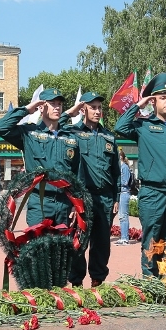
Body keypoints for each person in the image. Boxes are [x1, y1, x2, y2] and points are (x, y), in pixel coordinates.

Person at [113, 73, 166, 277]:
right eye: (162, 98)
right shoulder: (143, 126)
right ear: (153, 101)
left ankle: (164, 280)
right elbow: (120, 127)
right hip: (153, 193)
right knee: (152, 240)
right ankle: (150, 282)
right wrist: (139, 105)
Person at [0, 87, 80, 226]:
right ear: (41, 107)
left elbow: (77, 172)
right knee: (38, 246)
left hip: (65, 202)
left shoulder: (70, 137)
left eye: (59, 104)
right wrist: (28, 109)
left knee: (62, 247)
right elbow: (2, 127)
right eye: (52, 103)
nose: (57, 107)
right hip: (40, 201)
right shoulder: (30, 133)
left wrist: (75, 202)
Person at [61, 91, 120, 287]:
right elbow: (56, 124)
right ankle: (76, 282)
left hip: (104, 198)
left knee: (102, 243)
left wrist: (116, 197)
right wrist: (73, 110)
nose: (97, 111)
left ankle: (98, 280)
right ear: (83, 109)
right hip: (81, 197)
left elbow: (116, 171)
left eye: (99, 108)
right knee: (79, 241)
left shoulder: (108, 136)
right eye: (92, 107)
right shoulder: (72, 133)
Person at [117, 150, 132, 245]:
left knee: (124, 216)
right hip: (121, 193)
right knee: (121, 216)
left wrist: (115, 183)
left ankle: (125, 238)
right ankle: (123, 237)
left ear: (121, 157)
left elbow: (125, 181)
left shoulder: (124, 167)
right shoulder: (120, 167)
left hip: (124, 192)